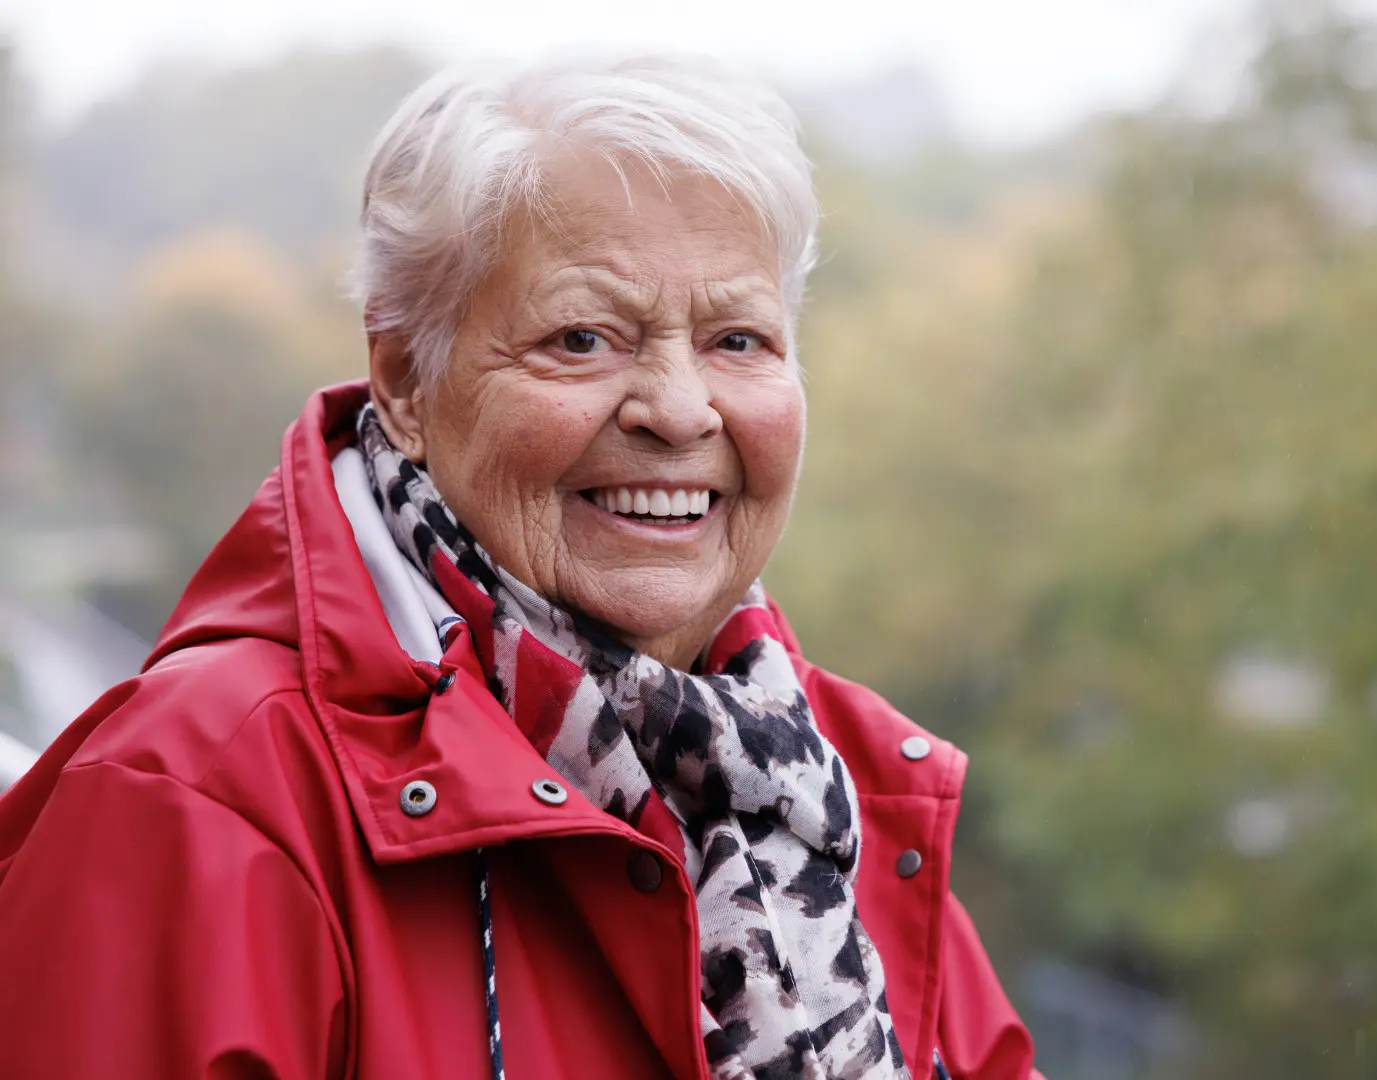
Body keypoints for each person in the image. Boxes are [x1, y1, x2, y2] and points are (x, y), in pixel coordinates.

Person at [0, 54, 1039, 1080]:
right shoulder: (193, 804)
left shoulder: (840, 796)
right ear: (406, 377)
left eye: (738, 340)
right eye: (582, 338)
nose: (679, 410)